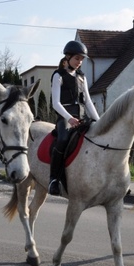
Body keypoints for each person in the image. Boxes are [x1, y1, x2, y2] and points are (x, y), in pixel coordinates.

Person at [48, 40, 100, 196]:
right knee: (63, 140)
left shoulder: (82, 77)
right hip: (65, 118)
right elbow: (55, 103)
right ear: (68, 57)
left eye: (82, 59)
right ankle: (54, 180)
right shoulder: (58, 75)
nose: (80, 62)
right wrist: (69, 118)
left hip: (83, 116)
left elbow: (88, 101)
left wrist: (98, 121)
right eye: (77, 58)